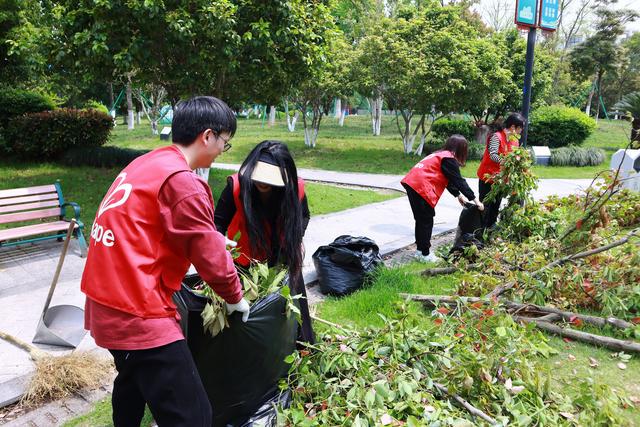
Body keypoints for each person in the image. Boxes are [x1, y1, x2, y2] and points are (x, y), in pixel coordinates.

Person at [80, 96, 251, 427]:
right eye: (224, 144)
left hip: (105, 304)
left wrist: (214, 238)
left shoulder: (145, 165)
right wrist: (234, 297)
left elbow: (156, 227)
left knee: (132, 382)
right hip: (137, 311)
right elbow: (209, 259)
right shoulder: (183, 181)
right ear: (207, 136)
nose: (220, 151)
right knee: (193, 416)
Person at [214, 140, 314, 344]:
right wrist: (222, 249)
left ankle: (301, 348)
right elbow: (217, 224)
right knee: (245, 319)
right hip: (244, 263)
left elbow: (304, 216)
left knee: (292, 309)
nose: (263, 183)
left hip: (284, 258)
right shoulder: (236, 187)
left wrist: (293, 240)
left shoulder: (295, 188)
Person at [401, 134, 484, 262]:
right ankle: (425, 254)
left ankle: (420, 251)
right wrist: (475, 200)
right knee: (426, 220)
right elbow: (459, 180)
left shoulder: (440, 154)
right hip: (421, 187)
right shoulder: (449, 158)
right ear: (461, 149)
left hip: (412, 183)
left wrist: (458, 195)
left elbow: (449, 179)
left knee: (421, 220)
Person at [476, 112, 526, 229]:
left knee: (495, 206)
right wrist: (506, 161)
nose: (520, 132)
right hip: (487, 177)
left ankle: (490, 230)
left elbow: (516, 157)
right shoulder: (496, 137)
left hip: (500, 180)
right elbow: (493, 154)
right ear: (513, 127)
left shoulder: (515, 141)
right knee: (485, 206)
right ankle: (479, 230)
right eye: (520, 128)